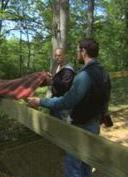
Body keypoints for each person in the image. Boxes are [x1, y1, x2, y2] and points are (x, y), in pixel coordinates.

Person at [27, 38, 111, 177]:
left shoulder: (85, 75)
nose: (77, 53)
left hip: (81, 127)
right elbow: (106, 99)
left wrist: (41, 101)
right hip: (95, 124)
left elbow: (67, 101)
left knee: (72, 165)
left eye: (78, 51)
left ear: (83, 52)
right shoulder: (104, 72)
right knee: (86, 161)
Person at [49, 48, 76, 121]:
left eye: (59, 55)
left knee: (62, 128)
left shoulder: (68, 70)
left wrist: (52, 81)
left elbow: (65, 87)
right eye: (56, 56)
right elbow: (57, 82)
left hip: (62, 105)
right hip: (55, 102)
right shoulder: (59, 68)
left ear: (65, 56)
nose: (57, 57)